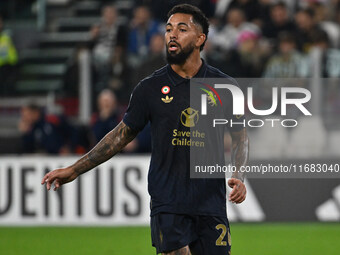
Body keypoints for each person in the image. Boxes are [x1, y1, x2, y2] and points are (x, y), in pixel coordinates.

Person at [41, 4, 248, 255]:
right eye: (169, 29)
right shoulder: (149, 88)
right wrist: (74, 169)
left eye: (182, 29)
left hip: (210, 202)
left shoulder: (224, 86)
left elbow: (240, 136)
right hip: (168, 201)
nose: (172, 34)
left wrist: (239, 175)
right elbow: (119, 136)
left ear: (200, 38)